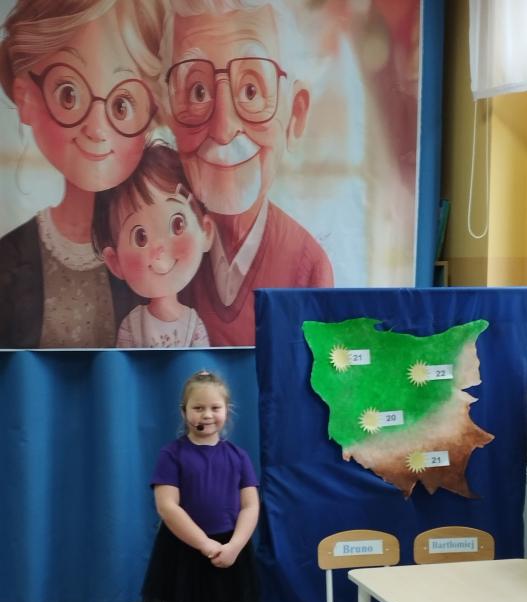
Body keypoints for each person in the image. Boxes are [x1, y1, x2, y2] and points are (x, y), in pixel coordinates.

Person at [162, 0, 334, 346]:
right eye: (198, 91)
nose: (223, 128)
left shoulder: (307, 265)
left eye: (250, 91)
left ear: (295, 114)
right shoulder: (159, 250)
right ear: (169, 116)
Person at [0, 0, 164, 349]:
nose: (97, 129)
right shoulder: (9, 257)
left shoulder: (162, 254)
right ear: (26, 97)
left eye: (122, 105)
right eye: (69, 94)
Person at [142, 369, 260, 602]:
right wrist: (206, 544)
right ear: (184, 412)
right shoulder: (172, 455)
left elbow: (250, 506)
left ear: (227, 411)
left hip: (228, 550)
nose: (206, 415)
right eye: (198, 408)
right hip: (185, 552)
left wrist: (234, 545)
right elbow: (168, 507)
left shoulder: (238, 456)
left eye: (214, 408)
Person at [93, 142, 214, 348]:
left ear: (206, 231)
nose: (159, 248)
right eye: (141, 237)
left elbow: (201, 364)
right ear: (115, 262)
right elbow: (126, 364)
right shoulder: (131, 326)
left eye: (177, 225)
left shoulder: (194, 325)